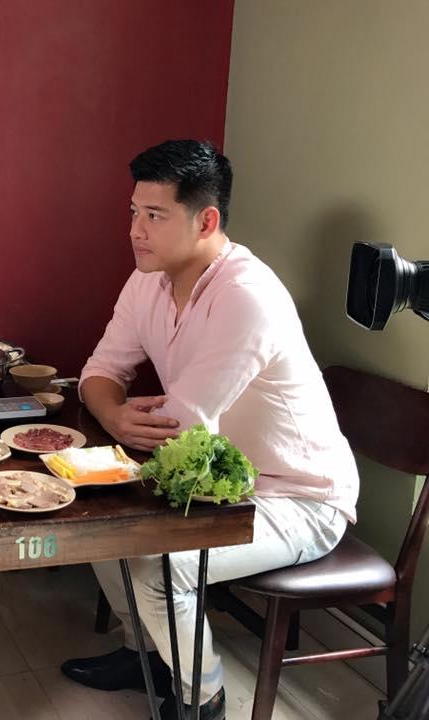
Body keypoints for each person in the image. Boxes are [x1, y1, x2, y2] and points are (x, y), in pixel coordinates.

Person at [60, 140, 359, 720]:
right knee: (95, 519)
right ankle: (147, 654)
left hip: (298, 497)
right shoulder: (147, 280)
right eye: (133, 212)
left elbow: (182, 424)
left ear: (206, 221)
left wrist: (126, 416)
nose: (135, 231)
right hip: (213, 479)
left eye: (154, 215)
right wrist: (116, 416)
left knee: (154, 564)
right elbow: (98, 373)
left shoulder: (246, 296)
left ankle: (204, 698)